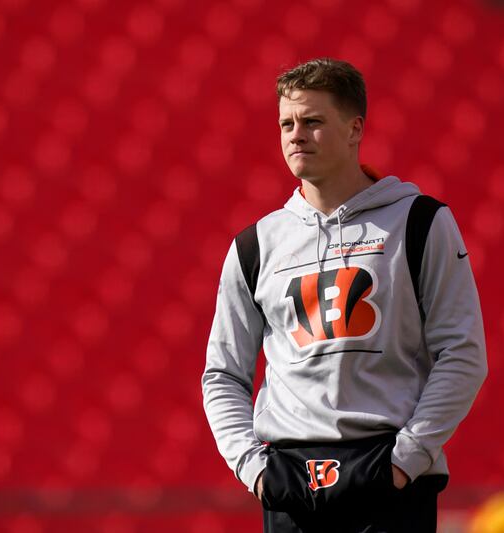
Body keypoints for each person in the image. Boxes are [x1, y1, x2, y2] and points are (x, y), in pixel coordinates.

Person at [202, 57, 488, 532]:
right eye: (286, 123)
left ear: (355, 129)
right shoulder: (254, 244)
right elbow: (222, 374)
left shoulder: (419, 223)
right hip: (289, 482)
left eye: (312, 122)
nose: (296, 135)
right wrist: (254, 469)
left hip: (389, 475)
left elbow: (463, 354)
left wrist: (405, 460)